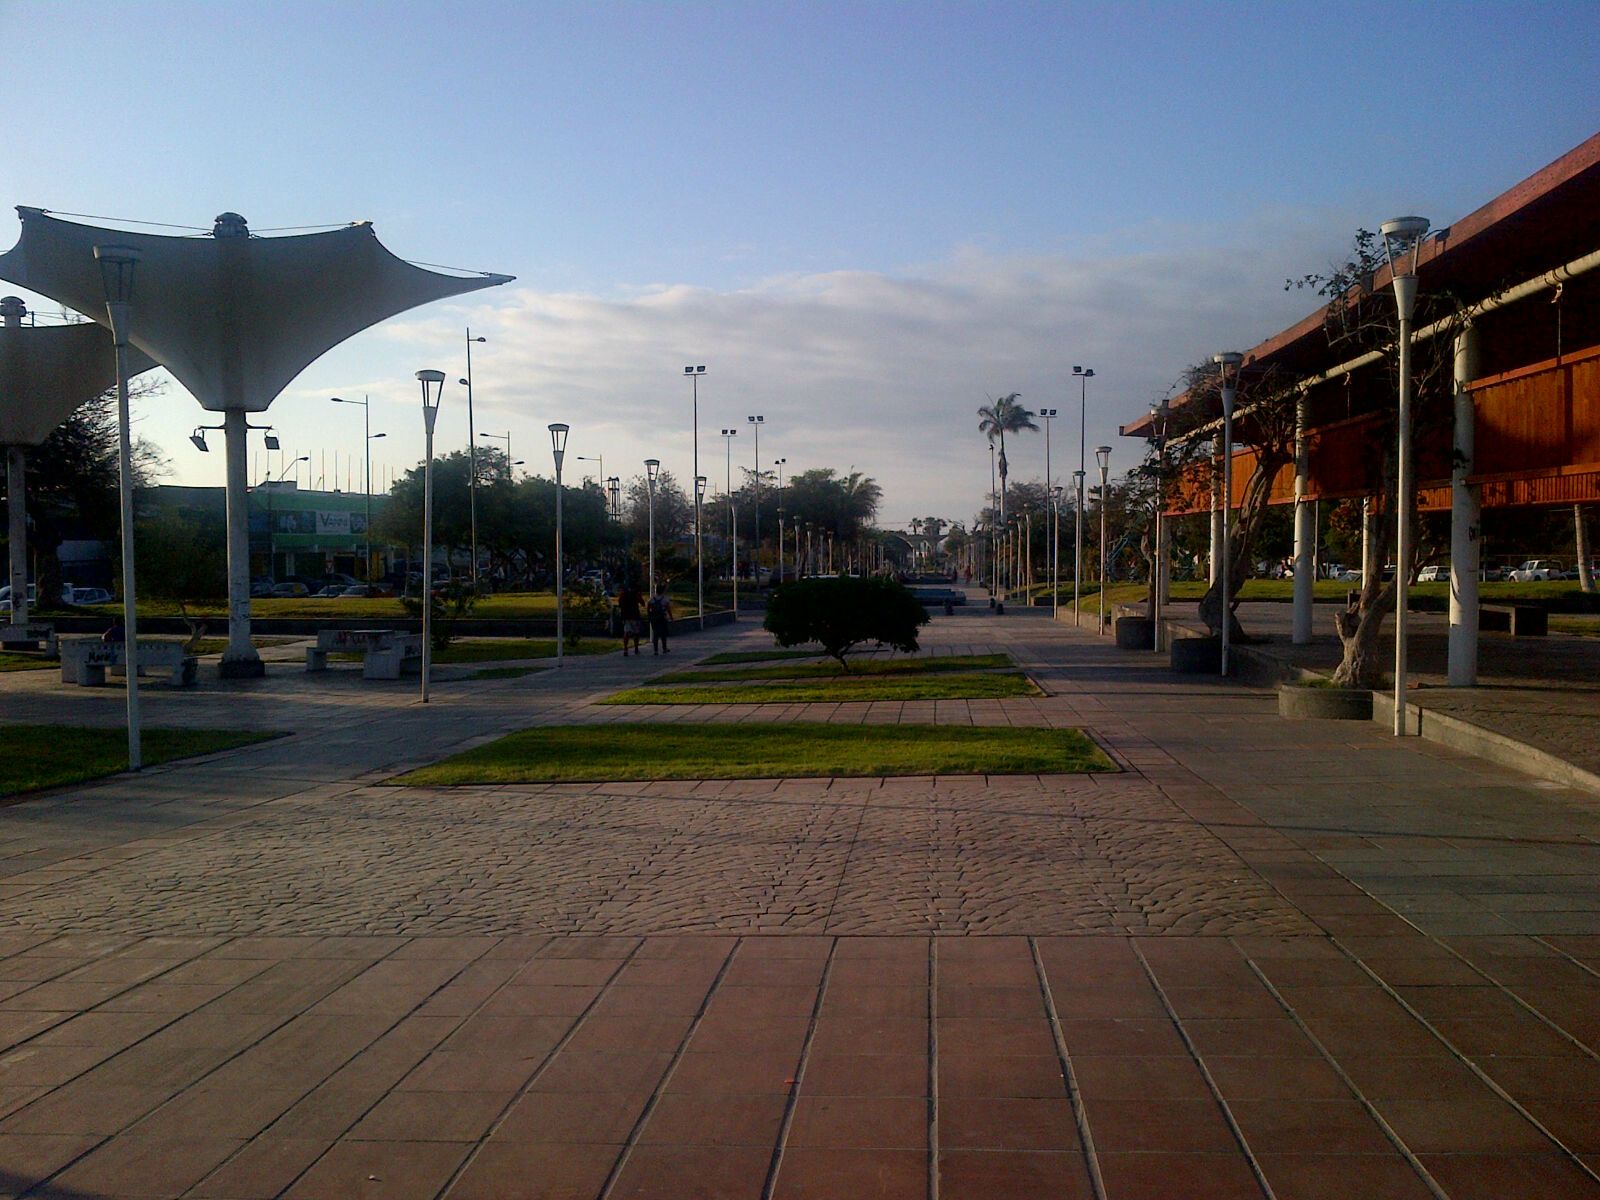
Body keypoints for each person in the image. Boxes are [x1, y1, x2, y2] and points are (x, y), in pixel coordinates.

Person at [617, 580, 645, 656]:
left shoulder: (623, 594)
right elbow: (643, 603)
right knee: (636, 633)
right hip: (635, 615)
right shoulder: (636, 594)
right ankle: (636, 649)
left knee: (626, 632)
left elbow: (619, 604)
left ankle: (625, 649)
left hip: (626, 616)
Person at [647, 585, 673, 655]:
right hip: (662, 618)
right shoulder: (664, 599)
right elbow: (668, 609)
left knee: (655, 634)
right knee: (663, 633)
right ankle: (664, 648)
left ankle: (656, 650)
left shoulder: (652, 599)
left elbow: (648, 608)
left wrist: (649, 616)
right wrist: (671, 617)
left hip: (654, 618)